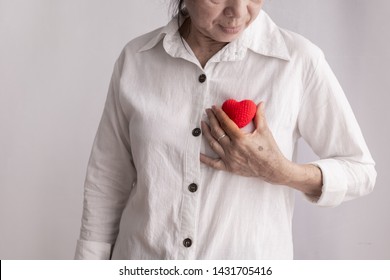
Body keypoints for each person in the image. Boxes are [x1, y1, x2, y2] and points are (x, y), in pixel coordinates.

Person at [75, 0, 376, 259]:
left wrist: (280, 171)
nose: (238, 11)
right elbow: (107, 180)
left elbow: (360, 170)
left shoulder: (298, 61)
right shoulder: (137, 59)